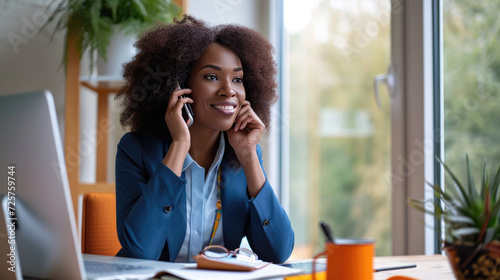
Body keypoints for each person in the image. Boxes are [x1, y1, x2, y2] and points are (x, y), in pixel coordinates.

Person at [114, 15, 294, 263]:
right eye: (212, 76)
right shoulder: (137, 150)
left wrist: (249, 156)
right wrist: (179, 146)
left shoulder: (243, 157)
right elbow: (140, 251)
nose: (229, 90)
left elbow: (279, 251)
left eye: (238, 79)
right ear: (177, 85)